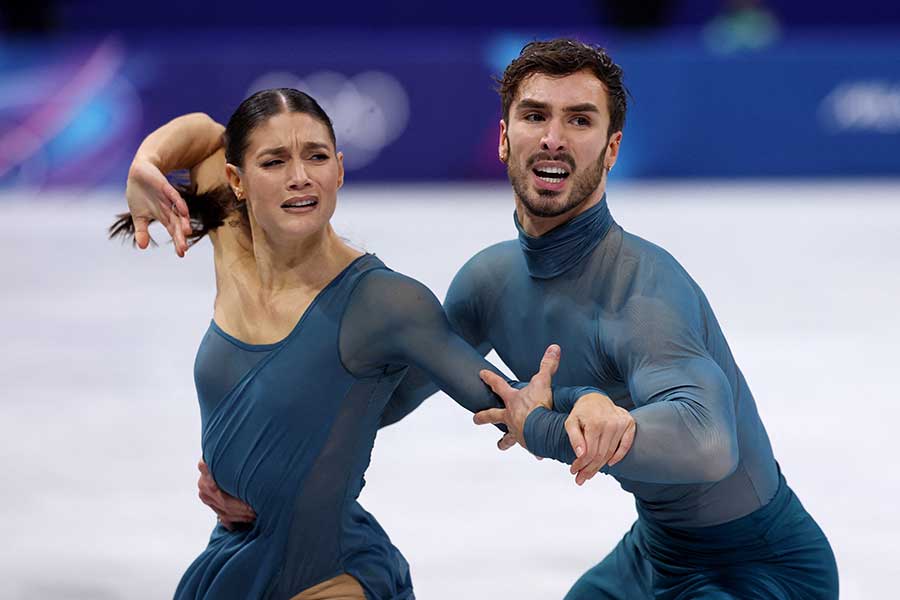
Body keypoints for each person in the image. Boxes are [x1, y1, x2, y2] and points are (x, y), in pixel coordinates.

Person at [197, 40, 840, 598]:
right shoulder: (488, 282)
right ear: (505, 138)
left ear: (612, 148)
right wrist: (259, 485)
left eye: (580, 120)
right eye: (536, 116)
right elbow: (374, 401)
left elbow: (707, 445)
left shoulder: (646, 289)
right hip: (655, 555)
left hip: (760, 568)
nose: (554, 136)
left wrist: (569, 427)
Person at [113, 87, 632, 600]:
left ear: (338, 170)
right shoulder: (232, 238)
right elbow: (205, 132)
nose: (299, 177)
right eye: (274, 161)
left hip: (330, 572)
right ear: (237, 180)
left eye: (316, 156)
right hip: (233, 560)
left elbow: (507, 399)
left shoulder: (382, 302)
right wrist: (145, 164)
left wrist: (582, 402)